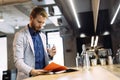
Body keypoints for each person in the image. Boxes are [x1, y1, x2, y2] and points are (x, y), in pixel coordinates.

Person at [13, 6, 56, 80]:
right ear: (31, 18)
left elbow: (41, 59)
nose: (41, 26)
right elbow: (18, 61)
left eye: (43, 23)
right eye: (39, 22)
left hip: (44, 77)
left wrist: (50, 55)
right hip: (28, 77)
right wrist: (31, 71)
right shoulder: (20, 35)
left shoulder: (43, 36)